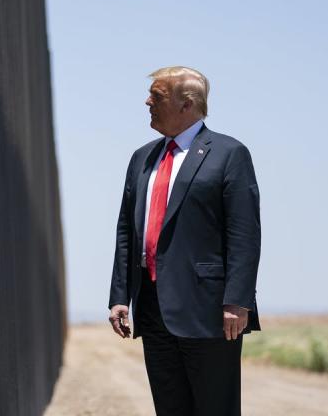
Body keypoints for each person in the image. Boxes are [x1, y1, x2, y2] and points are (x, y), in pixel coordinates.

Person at [108, 66, 261, 416]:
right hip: (152, 305)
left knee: (214, 407)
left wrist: (237, 300)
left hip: (210, 311)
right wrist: (120, 295)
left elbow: (244, 233)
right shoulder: (141, 158)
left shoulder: (229, 153)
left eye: (157, 96)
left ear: (187, 104)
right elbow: (126, 231)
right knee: (170, 407)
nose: (148, 101)